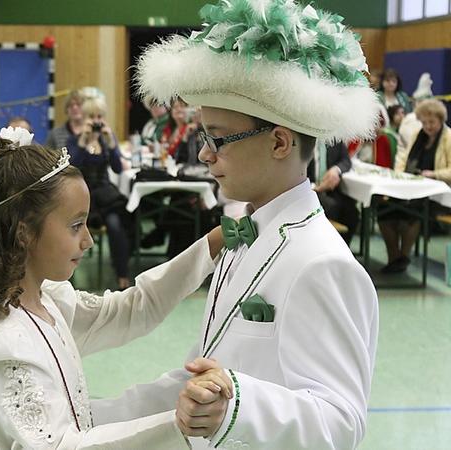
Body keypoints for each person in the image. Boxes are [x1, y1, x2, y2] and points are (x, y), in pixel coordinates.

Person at [92, 1, 380, 449]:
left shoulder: (321, 262)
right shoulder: (241, 235)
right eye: (202, 137)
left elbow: (341, 423)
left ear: (280, 142)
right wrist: (90, 417)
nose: (205, 154)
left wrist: (237, 406)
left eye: (217, 138)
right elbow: (201, 373)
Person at [0, 126, 226, 449]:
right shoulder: (8, 347)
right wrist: (177, 423)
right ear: (23, 233)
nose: (88, 240)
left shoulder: (51, 302)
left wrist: (212, 244)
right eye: (76, 226)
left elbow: (131, 309)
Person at [64, 95, 132, 289]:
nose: (95, 120)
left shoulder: (106, 140)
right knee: (71, 229)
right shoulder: (74, 140)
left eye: (99, 116)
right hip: (81, 196)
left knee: (116, 226)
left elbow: (118, 168)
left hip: (105, 195)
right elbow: (71, 167)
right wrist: (83, 142)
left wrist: (112, 144)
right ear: (84, 117)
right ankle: (67, 276)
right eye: (91, 116)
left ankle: (122, 274)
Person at [378, 99, 451, 273]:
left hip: (438, 195)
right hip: (411, 188)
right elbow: (404, 158)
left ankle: (402, 256)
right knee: (384, 208)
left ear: (441, 120)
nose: (428, 126)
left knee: (412, 211)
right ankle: (396, 257)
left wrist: (433, 174)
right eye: (424, 122)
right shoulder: (418, 135)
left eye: (432, 122)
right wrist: (399, 173)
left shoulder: (448, 137)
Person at [308, 141, 359, 245]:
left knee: (352, 212)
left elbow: (346, 161)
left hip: (330, 189)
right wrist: (314, 187)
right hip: (308, 189)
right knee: (331, 207)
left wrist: (336, 169)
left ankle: (343, 251)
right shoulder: (304, 138)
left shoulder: (334, 138)